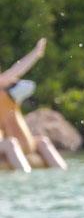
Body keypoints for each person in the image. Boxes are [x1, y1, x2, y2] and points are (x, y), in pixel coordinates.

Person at [0, 38, 67, 172]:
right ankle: (26, 178)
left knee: (42, 141)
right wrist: (36, 53)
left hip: (24, 143)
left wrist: (36, 54)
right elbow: (13, 73)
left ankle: (63, 175)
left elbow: (27, 84)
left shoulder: (8, 95)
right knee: (10, 144)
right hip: (7, 144)